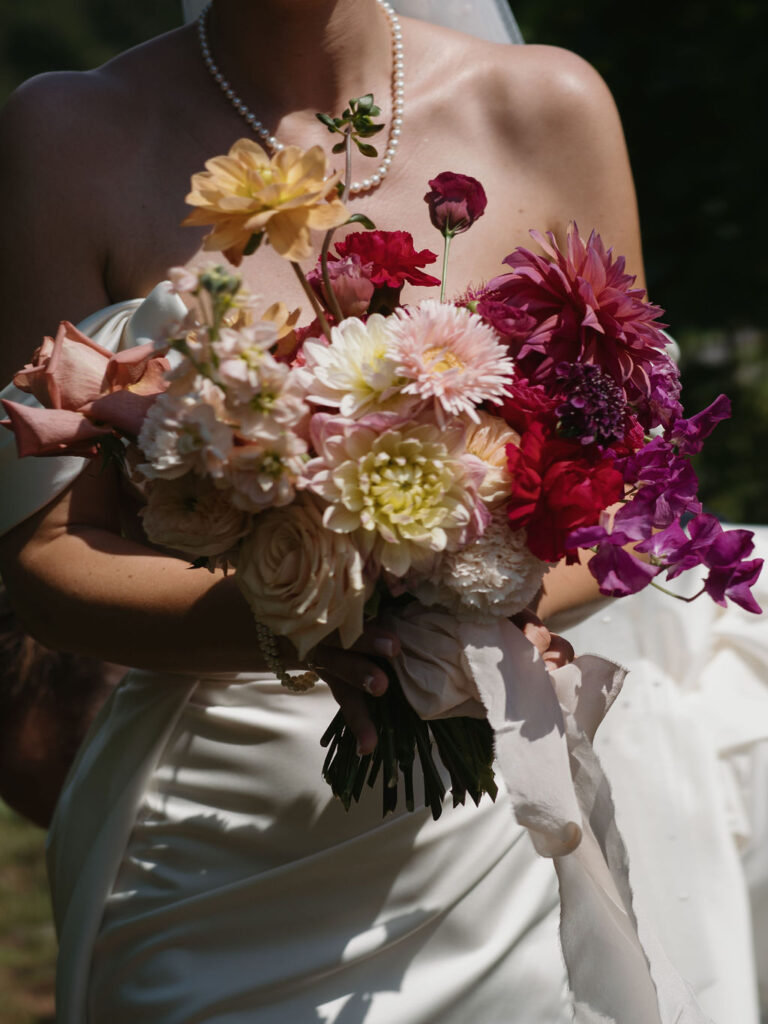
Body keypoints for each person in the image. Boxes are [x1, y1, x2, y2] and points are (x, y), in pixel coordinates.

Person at [0, 1, 696, 1022]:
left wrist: (466, 605)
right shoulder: (64, 132)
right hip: (209, 837)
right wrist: (326, 620)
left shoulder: (550, 105)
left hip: (496, 818)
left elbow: (645, 490)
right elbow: (47, 563)